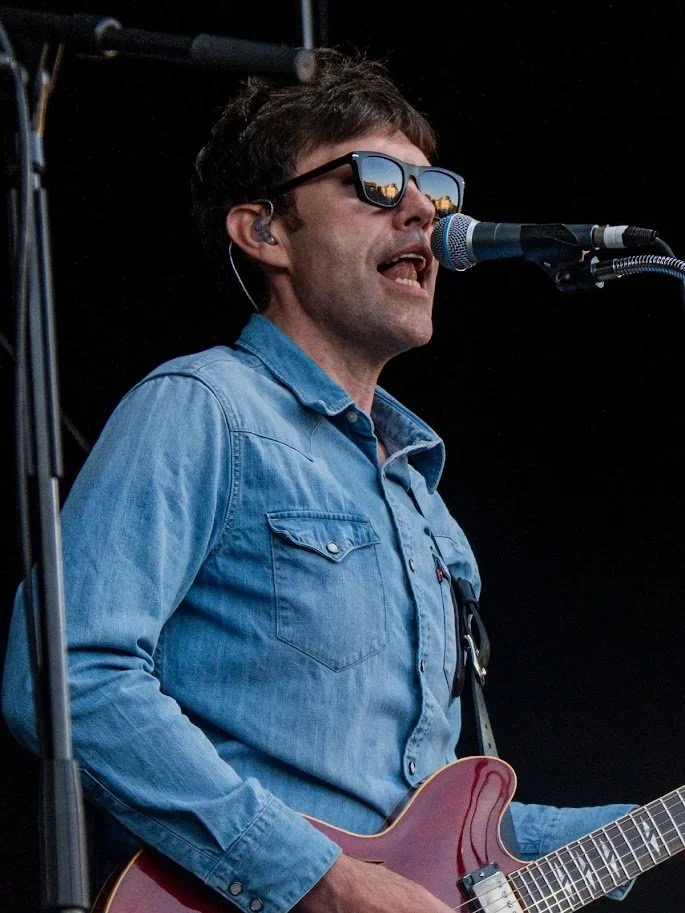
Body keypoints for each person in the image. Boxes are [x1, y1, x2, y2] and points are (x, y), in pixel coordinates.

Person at [2, 48, 637, 913]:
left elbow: (437, 832)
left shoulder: (422, 498)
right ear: (262, 231)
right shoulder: (201, 407)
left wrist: (650, 829)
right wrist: (316, 879)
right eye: (375, 182)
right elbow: (67, 674)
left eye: (435, 189)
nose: (424, 214)